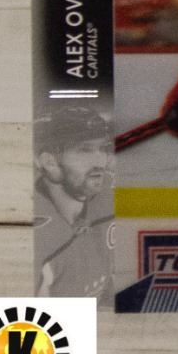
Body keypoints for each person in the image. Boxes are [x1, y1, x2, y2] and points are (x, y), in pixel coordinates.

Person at [35, 106, 117, 298]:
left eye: (102, 149)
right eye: (84, 150)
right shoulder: (37, 240)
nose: (100, 161)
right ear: (50, 163)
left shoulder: (113, 192)